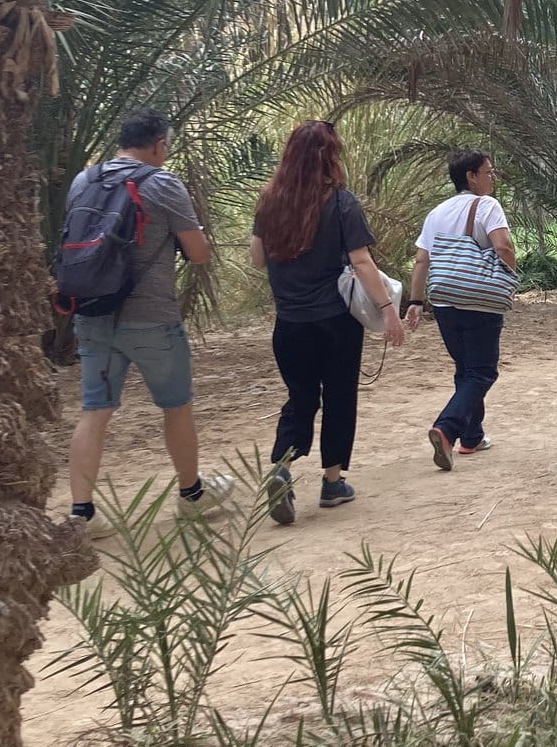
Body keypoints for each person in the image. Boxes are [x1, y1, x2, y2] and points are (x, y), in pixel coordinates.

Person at [64, 108, 232, 532]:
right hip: (152, 318)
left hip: (92, 314)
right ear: (158, 145)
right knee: (176, 406)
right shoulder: (162, 184)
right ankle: (191, 495)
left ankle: (81, 514)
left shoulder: (84, 181)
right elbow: (198, 253)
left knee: (95, 410)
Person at [250, 121, 404, 523]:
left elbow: (256, 258)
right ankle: (332, 482)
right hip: (335, 321)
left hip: (289, 324)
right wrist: (388, 310)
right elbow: (361, 262)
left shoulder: (268, 201)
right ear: (330, 156)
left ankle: (281, 467)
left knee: (300, 398)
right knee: (339, 397)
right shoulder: (340, 203)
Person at [405, 150, 516, 467]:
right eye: (488, 172)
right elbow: (503, 246)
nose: (492, 177)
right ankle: (447, 428)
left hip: (444, 303)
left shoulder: (436, 213)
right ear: (471, 176)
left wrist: (415, 301)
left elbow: (422, 260)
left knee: (465, 368)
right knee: (482, 372)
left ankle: (472, 437)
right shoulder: (487, 206)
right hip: (479, 300)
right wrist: (510, 278)